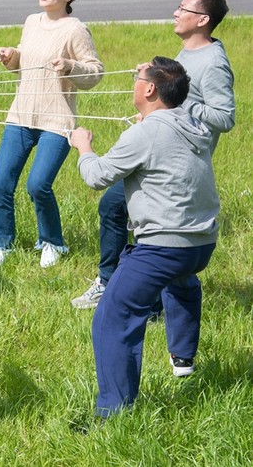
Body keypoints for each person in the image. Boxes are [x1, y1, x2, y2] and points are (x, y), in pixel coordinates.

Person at [70, 57, 218, 417]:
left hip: (164, 247)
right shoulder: (190, 122)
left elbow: (98, 177)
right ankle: (182, 358)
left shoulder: (147, 132)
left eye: (137, 77)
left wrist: (83, 146)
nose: (134, 81)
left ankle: (112, 414)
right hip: (201, 244)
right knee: (182, 282)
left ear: (150, 89)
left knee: (113, 318)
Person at [72, 0, 233, 311]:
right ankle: (145, 292)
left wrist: (174, 101)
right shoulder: (189, 53)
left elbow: (225, 117)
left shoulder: (213, 63)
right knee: (123, 211)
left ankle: (113, 284)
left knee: (118, 209)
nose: (176, 12)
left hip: (178, 156)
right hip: (164, 147)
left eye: (183, 8)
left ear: (202, 19)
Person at [0, 0, 104, 269]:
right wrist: (10, 56)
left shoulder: (75, 29)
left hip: (57, 121)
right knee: (1, 184)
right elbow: (25, 65)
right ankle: (1, 245)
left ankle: (53, 243)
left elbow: (95, 73)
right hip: (21, 116)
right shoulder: (31, 21)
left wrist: (69, 66)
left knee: (38, 185)